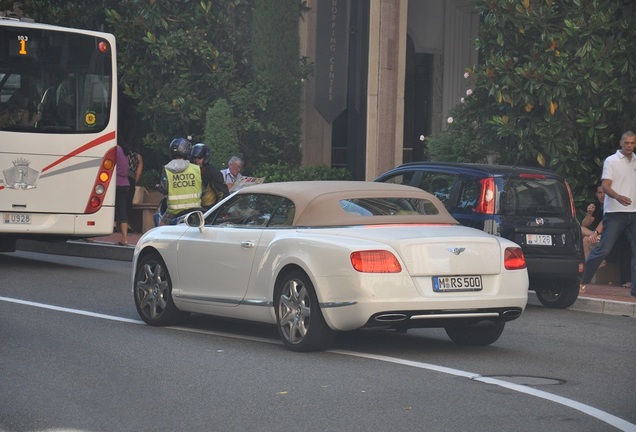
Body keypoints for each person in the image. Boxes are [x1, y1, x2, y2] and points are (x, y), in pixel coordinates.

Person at [580, 131, 636, 297]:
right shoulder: (611, 161)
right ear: (620, 143)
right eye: (626, 143)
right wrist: (618, 197)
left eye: (632, 143)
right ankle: (582, 280)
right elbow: (605, 186)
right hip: (615, 213)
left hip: (633, 213)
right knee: (603, 249)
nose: (629, 146)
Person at [158, 138, 202, 225]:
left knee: (159, 231)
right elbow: (203, 190)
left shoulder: (167, 169)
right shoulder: (196, 169)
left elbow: (164, 189)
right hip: (195, 212)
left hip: (173, 213)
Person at [190, 143, 229, 210]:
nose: (197, 160)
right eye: (195, 158)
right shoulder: (191, 171)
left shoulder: (213, 172)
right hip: (194, 208)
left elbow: (223, 193)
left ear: (205, 158)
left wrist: (217, 210)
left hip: (209, 209)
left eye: (199, 158)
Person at [580, 184, 604, 259]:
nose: (602, 195)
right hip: (596, 234)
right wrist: (589, 213)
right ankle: (588, 265)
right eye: (600, 193)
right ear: (596, 194)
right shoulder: (596, 206)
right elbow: (584, 225)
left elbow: (605, 221)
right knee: (580, 229)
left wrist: (595, 233)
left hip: (608, 234)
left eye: (605, 193)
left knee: (586, 240)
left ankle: (588, 266)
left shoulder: (611, 206)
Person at [125, 143, 143, 231]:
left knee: (119, 201)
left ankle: (116, 223)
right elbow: (138, 173)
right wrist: (134, 181)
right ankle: (128, 224)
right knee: (128, 203)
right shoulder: (138, 157)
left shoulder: (124, 154)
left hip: (120, 179)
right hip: (131, 179)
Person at [115, 144, 130, 246]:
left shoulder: (116, 149)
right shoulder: (125, 152)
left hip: (115, 182)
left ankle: (92, 236)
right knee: (122, 210)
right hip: (125, 183)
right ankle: (124, 238)